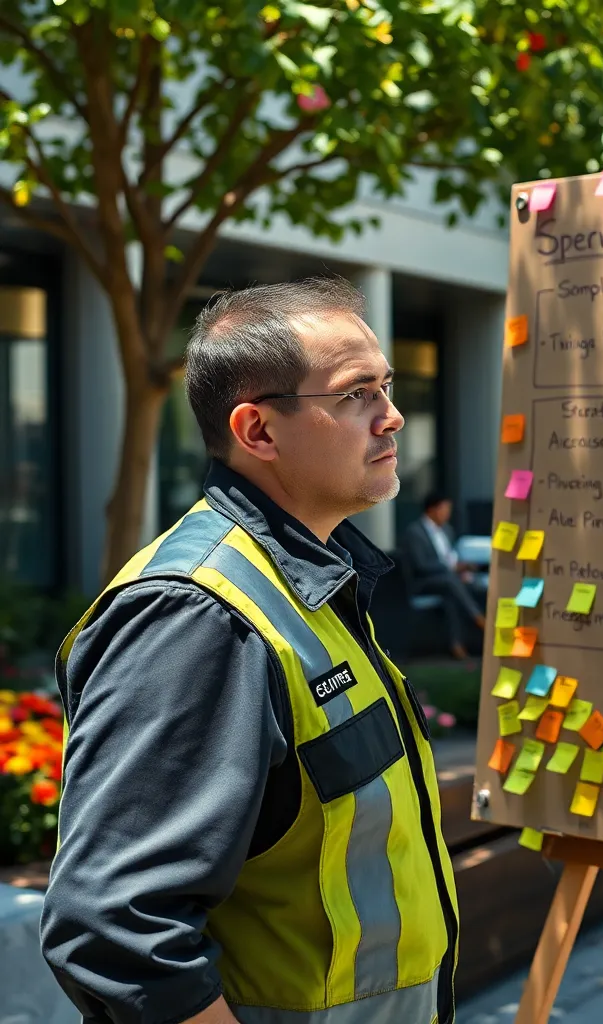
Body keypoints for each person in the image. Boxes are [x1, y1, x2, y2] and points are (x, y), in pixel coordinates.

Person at [40, 278, 459, 1024]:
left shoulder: (312, 583)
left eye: (387, 386)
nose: (392, 417)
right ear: (258, 431)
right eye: (357, 393)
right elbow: (116, 932)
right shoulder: (197, 616)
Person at [400, 492, 486, 660]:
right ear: (432, 509)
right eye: (445, 509)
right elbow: (421, 565)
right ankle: (478, 618)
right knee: (450, 582)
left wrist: (460, 569)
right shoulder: (415, 532)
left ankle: (457, 645)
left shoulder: (447, 530)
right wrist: (451, 569)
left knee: (458, 591)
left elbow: (451, 557)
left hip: (447, 581)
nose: (447, 514)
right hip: (423, 582)